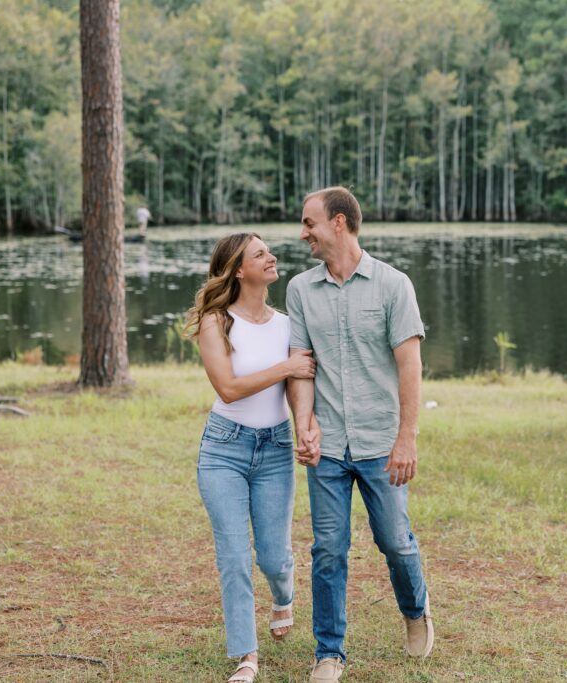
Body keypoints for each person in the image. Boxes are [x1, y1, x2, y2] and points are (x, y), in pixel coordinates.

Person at [285, 187, 434, 683]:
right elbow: (302, 368)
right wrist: (304, 425)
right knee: (328, 548)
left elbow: (409, 366)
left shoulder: (393, 285)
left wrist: (406, 437)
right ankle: (329, 653)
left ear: (341, 223)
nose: (303, 233)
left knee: (394, 540)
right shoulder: (301, 290)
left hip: (379, 441)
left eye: (310, 223)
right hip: (328, 445)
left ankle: (415, 612)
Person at [184, 232, 321, 683]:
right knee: (234, 555)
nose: (272, 257)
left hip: (276, 449)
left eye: (269, 251)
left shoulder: (286, 324)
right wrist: (286, 366)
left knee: (274, 558)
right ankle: (247, 656)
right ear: (239, 270)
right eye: (260, 253)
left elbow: (301, 384)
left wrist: (304, 425)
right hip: (223, 449)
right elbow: (228, 387)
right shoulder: (216, 322)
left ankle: (284, 596)